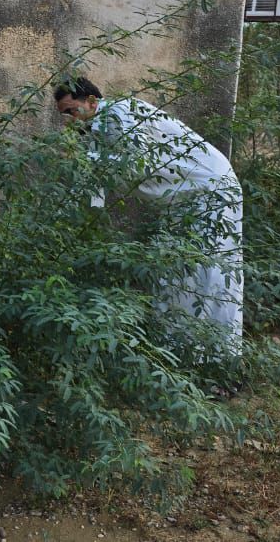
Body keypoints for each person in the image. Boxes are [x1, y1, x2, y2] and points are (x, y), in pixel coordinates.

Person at [55, 77, 244, 358]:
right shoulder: (97, 129)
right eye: (64, 115)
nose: (69, 121)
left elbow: (136, 163)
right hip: (183, 198)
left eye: (71, 111)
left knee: (211, 275)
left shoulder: (118, 113)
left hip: (211, 190)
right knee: (177, 271)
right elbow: (96, 187)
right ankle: (182, 354)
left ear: (92, 102)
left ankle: (221, 361)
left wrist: (85, 160)